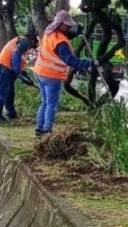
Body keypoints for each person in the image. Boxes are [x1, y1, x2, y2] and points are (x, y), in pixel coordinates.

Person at [34, 10, 97, 138]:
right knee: (51, 103)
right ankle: (47, 130)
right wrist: (90, 62)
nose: (69, 27)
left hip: (40, 72)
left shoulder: (49, 32)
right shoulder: (61, 42)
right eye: (67, 25)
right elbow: (71, 60)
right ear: (59, 24)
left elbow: (63, 37)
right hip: (52, 75)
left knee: (45, 102)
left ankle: (39, 128)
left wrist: (74, 33)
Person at [0, 30, 40, 124]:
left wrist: (23, 74)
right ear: (32, 39)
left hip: (6, 68)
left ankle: (11, 113)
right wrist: (18, 72)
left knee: (9, 93)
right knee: (1, 92)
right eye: (35, 41)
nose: (36, 44)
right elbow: (16, 55)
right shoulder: (24, 41)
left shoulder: (22, 43)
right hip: (4, 67)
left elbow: (18, 60)